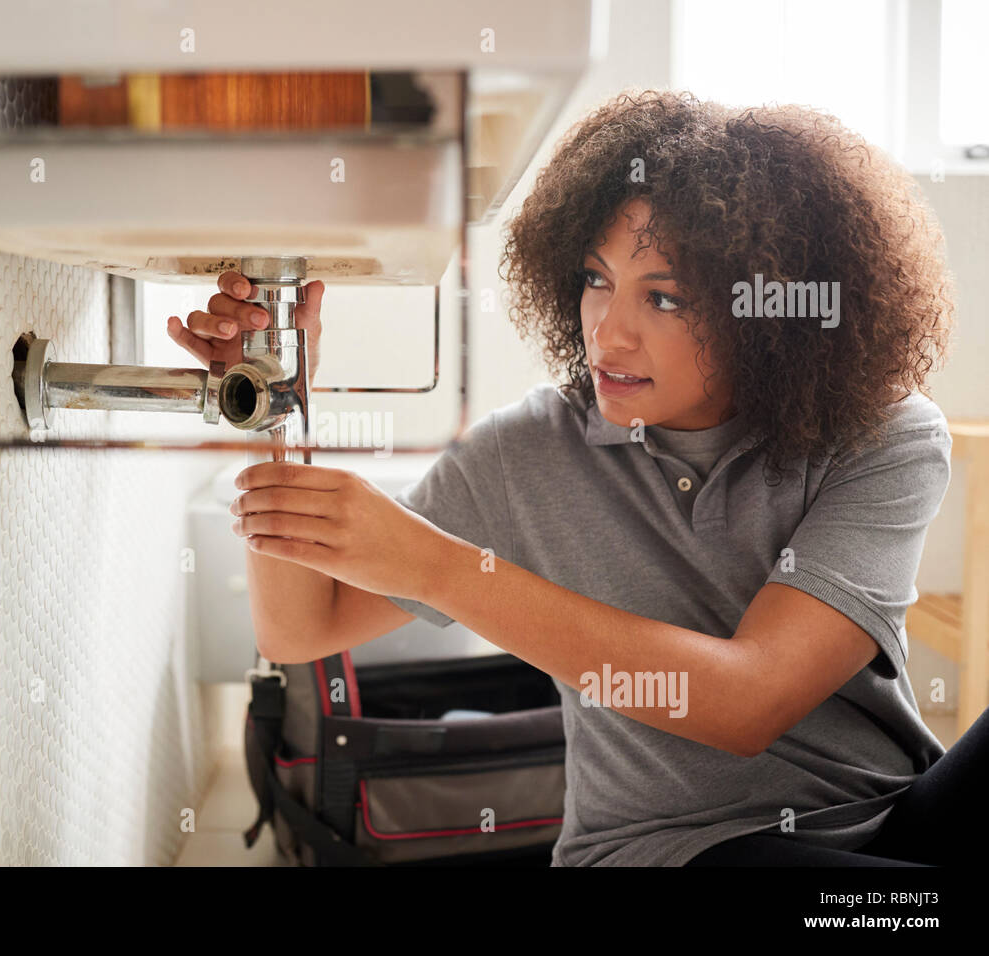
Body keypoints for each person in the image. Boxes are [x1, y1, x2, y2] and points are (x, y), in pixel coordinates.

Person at [166, 89, 981, 866]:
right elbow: (301, 630)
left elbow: (748, 702)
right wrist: (269, 402)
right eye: (596, 280)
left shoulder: (882, 437)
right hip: (684, 850)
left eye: (664, 299)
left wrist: (436, 566)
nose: (610, 332)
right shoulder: (528, 452)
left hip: (894, 818)